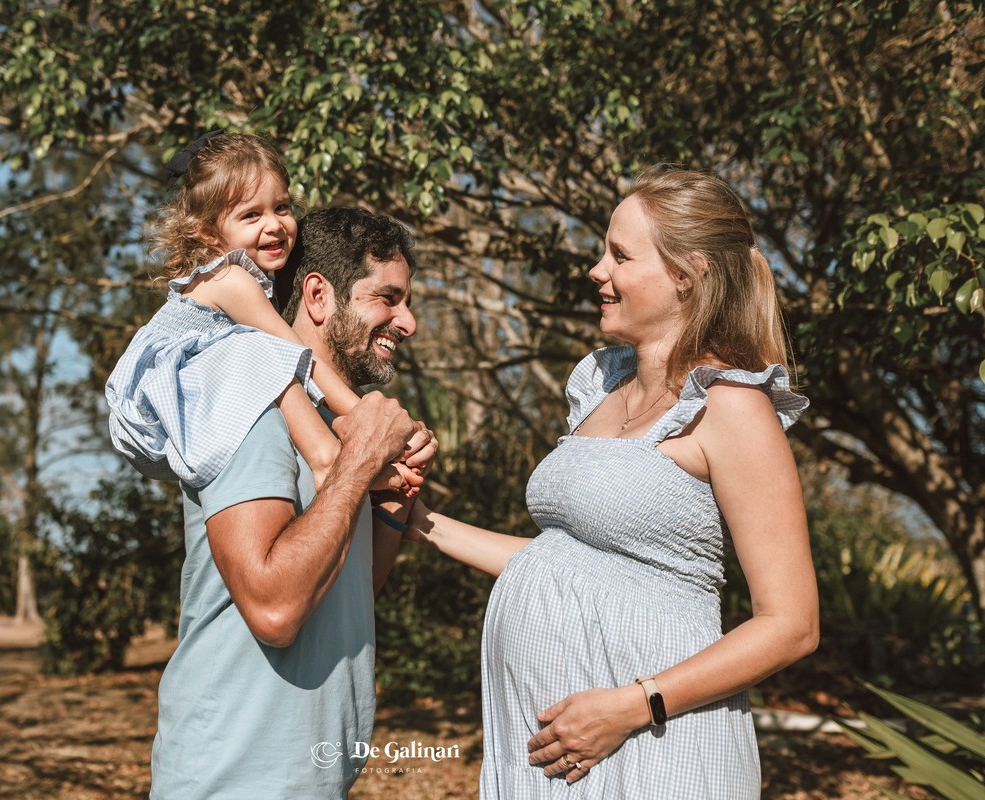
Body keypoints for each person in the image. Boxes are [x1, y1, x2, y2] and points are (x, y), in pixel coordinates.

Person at [405, 166, 819, 798]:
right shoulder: (599, 388)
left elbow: (791, 625)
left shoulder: (732, 407)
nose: (597, 270)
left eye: (620, 256)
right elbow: (563, 567)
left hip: (657, 745)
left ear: (687, 274)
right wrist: (418, 521)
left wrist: (634, 705)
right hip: (559, 751)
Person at [109, 198, 435, 798]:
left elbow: (345, 597)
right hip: (233, 778)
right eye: (388, 298)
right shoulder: (248, 400)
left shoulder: (338, 435)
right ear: (318, 295)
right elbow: (276, 610)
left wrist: (395, 495)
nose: (408, 322)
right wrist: (359, 464)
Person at [106, 130, 422, 493]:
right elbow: (302, 359)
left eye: (281, 208)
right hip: (149, 415)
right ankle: (325, 457)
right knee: (271, 353)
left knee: (266, 351)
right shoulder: (230, 279)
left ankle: (338, 449)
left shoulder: (247, 282)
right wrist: (371, 419)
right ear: (209, 232)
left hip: (175, 418)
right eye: (251, 215)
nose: (273, 225)